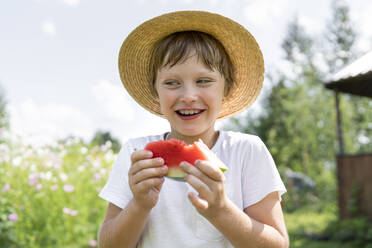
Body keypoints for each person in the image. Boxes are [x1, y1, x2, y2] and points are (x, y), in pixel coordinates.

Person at [98, 10, 289, 248]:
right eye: (172, 83)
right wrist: (139, 205)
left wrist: (221, 211)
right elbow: (108, 245)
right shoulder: (137, 153)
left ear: (226, 89)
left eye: (203, 81)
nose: (188, 96)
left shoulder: (247, 151)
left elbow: (278, 245)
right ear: (156, 93)